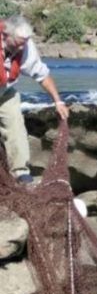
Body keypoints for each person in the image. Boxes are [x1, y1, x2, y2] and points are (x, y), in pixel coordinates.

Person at [0, 15, 69, 183]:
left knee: (15, 125)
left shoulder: (25, 46)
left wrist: (58, 101)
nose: (23, 45)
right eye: (19, 41)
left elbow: (42, 75)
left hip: (4, 92)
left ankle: (21, 172)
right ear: (5, 35)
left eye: (25, 41)